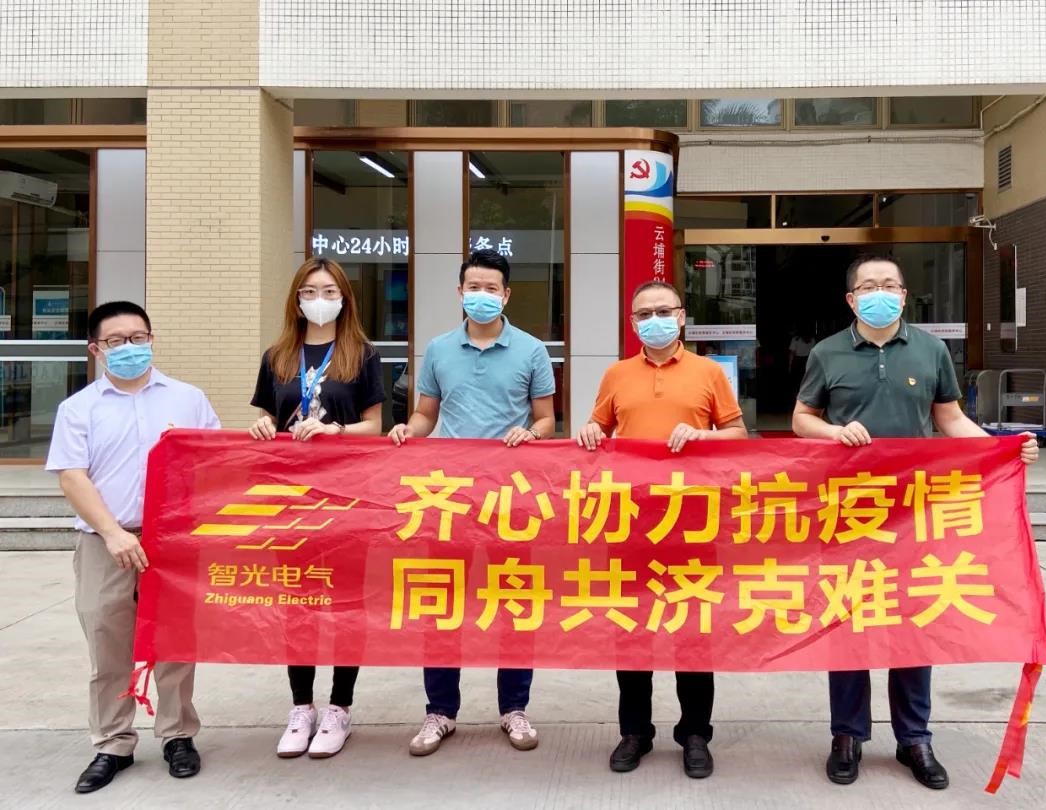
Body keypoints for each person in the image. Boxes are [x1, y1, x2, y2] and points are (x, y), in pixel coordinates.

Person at [792, 253, 1039, 791]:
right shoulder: (828, 352)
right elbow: (802, 418)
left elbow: (949, 418)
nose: (879, 293)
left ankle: (914, 738)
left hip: (915, 512)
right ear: (851, 299)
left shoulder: (931, 350)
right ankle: (847, 735)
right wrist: (834, 433)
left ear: (904, 296)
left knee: (915, 619)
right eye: (868, 286)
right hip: (849, 509)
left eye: (890, 285)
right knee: (848, 620)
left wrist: (1002, 449)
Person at [46, 301, 220, 794]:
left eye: (138, 338)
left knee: (175, 644)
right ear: (96, 350)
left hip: (173, 542)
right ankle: (113, 742)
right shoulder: (78, 408)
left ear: (151, 339)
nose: (130, 348)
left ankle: (177, 735)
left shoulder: (187, 398)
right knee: (107, 642)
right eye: (117, 341)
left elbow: (213, 461)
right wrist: (113, 533)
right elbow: (73, 477)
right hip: (105, 541)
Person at [576, 281, 747, 780]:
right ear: (633, 323)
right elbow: (599, 429)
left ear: (682, 316)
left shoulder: (708, 372)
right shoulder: (616, 374)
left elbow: (738, 434)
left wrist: (703, 436)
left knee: (693, 630)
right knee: (632, 629)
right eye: (644, 314)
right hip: (630, 520)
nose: (654, 320)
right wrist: (589, 430)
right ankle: (635, 731)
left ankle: (695, 734)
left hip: (693, 521)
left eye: (663, 311)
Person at [388, 249, 556, 756]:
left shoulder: (531, 350)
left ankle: (514, 708)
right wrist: (408, 430)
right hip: (449, 496)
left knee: (513, 600)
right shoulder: (439, 349)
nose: (482, 295)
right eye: (473, 287)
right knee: (442, 601)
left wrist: (531, 434)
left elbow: (546, 419)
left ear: (507, 295)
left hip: (511, 497)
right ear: (460, 292)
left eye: (491, 288)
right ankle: (440, 710)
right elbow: (426, 414)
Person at [249, 257, 385, 759]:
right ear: (296, 299)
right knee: (298, 602)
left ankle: (339, 708)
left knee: (347, 602)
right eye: (309, 291)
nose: (319, 299)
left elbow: (374, 426)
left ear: (344, 298)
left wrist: (335, 430)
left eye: (329, 290)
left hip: (348, 496)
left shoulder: (362, 355)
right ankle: (301, 707)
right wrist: (262, 426)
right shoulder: (278, 356)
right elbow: (266, 418)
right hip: (291, 499)